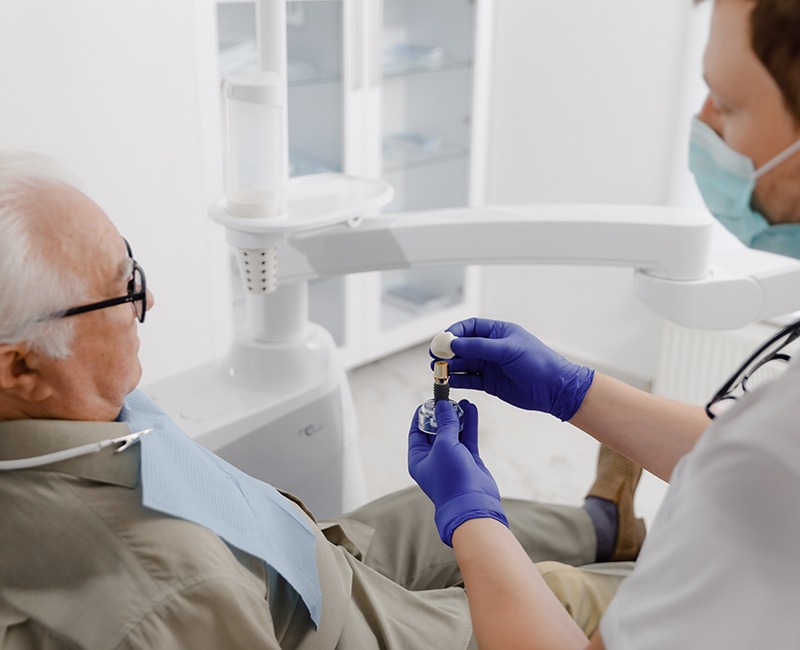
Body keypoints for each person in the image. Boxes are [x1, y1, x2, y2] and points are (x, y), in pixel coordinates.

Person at [0, 149, 641, 648]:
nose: (149, 302)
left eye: (133, 265)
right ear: (23, 365)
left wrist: (563, 397)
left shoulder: (68, 406)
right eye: (124, 289)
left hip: (298, 557)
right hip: (332, 631)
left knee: (425, 517)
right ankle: (630, 575)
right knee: (568, 596)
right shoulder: (171, 594)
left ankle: (604, 526)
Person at [407, 1, 800, 648]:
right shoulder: (767, 453)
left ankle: (598, 529)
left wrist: (470, 517)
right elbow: (748, 463)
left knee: (524, 593)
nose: (702, 123)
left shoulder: (769, 458)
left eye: (727, 104)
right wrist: (572, 390)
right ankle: (604, 526)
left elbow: (761, 468)